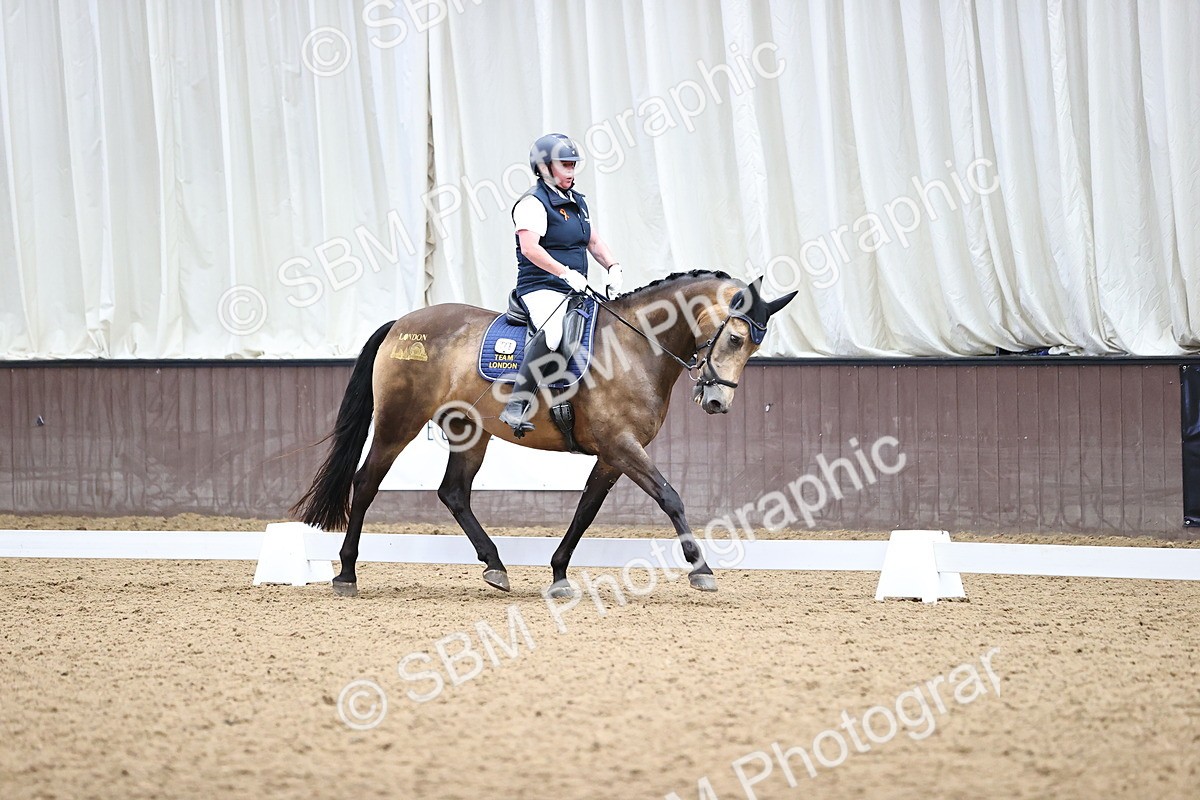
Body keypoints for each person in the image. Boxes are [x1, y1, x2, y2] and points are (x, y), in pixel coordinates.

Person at [497, 133, 623, 437]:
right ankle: (517, 403)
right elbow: (530, 248)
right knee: (553, 332)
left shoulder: (578, 202)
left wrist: (613, 266)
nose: (571, 171)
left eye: (573, 165)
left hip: (573, 288)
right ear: (543, 168)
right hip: (540, 286)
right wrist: (564, 272)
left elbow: (592, 240)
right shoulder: (532, 203)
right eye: (565, 165)